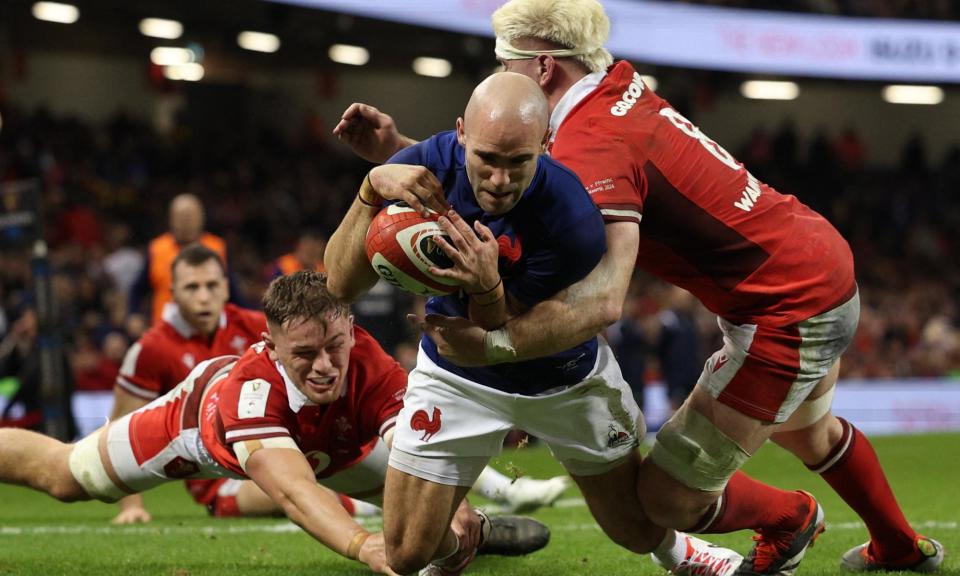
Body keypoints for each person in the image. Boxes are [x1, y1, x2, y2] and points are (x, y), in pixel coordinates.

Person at [332, 1, 944, 573]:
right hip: (814, 263)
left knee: (666, 498)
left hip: (783, 306)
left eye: (505, 61)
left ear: (543, 65)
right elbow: (502, 171)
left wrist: (494, 347)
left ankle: (790, 517)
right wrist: (400, 152)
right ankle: (898, 544)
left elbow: (602, 298)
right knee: (811, 430)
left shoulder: (591, 141)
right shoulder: (614, 91)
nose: (502, 73)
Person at [326, 71, 743, 576]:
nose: (500, 180)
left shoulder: (572, 217)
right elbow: (340, 286)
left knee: (633, 530)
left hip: (561, 377)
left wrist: (484, 287)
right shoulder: (422, 167)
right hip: (458, 375)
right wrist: (371, 187)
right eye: (486, 159)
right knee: (406, 553)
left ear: (546, 144)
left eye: (517, 162)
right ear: (461, 134)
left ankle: (682, 553)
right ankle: (470, 536)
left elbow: (501, 330)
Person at [0, 271, 554, 575]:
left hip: (337, 448)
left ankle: (477, 529)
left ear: (352, 330)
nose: (324, 366)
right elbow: (295, 492)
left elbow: (416, 451)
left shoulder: (370, 360)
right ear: (271, 346)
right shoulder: (252, 394)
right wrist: (365, 547)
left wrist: (444, 516)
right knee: (64, 477)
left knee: (444, 536)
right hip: (196, 429)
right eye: (304, 354)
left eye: (335, 346)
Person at [112, 243, 569, 524]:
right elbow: (127, 420)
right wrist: (131, 504)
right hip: (228, 467)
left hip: (313, 438)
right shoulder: (152, 348)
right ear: (172, 293)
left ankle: (505, 491)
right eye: (192, 288)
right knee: (283, 491)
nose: (205, 296)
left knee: (408, 447)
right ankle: (374, 510)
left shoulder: (260, 325)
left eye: (212, 285)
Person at [130, 193, 229, 324]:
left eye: (191, 216)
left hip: (209, 329)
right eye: (181, 216)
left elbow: (232, 290)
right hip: (166, 329)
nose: (186, 221)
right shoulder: (157, 248)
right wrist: (133, 315)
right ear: (170, 219)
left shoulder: (217, 247)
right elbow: (137, 289)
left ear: (202, 218)